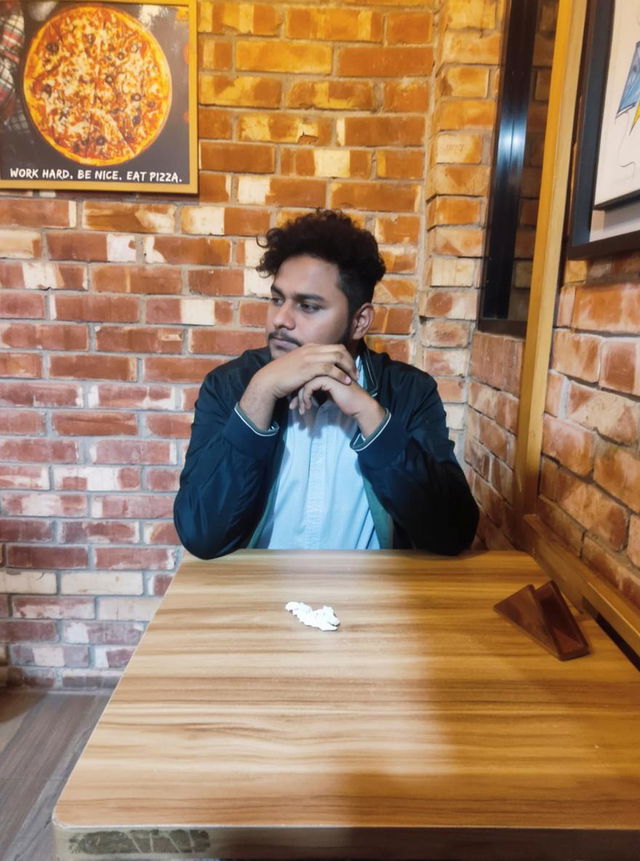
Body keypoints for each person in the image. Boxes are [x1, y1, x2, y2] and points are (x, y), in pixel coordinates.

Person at [174, 210, 478, 558]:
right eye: (277, 299)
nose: (280, 319)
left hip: (371, 602)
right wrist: (258, 396)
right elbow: (202, 535)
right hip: (260, 599)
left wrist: (370, 415)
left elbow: (452, 533)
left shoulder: (409, 392)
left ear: (359, 321)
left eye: (308, 306)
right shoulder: (230, 386)